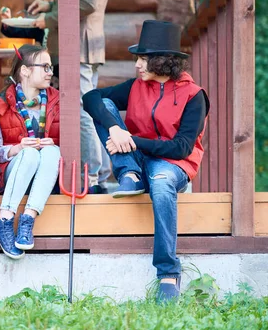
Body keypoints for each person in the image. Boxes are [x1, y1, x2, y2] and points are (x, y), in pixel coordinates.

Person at [83, 20, 210, 302]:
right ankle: (130, 174)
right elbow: (90, 97)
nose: (137, 64)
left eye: (143, 58)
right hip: (137, 159)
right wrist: (116, 129)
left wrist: (131, 140)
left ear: (162, 62)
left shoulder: (194, 96)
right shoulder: (137, 86)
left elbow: (180, 148)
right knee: (104, 105)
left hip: (171, 164)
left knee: (163, 184)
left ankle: (168, 272)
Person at [28, 0, 113, 194]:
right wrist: (50, 4)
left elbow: (87, 2)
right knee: (89, 109)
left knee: (82, 112)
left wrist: (49, 17)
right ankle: (101, 174)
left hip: (79, 44)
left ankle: (94, 178)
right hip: (80, 43)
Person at [0, 45, 61, 259]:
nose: (51, 72)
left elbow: (71, 148)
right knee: (29, 154)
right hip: (13, 175)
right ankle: (5, 220)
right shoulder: (1, 103)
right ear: (25, 71)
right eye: (45, 67)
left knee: (51, 152)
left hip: (45, 177)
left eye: (51, 67)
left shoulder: (58, 101)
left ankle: (27, 220)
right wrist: (18, 148)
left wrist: (54, 144)